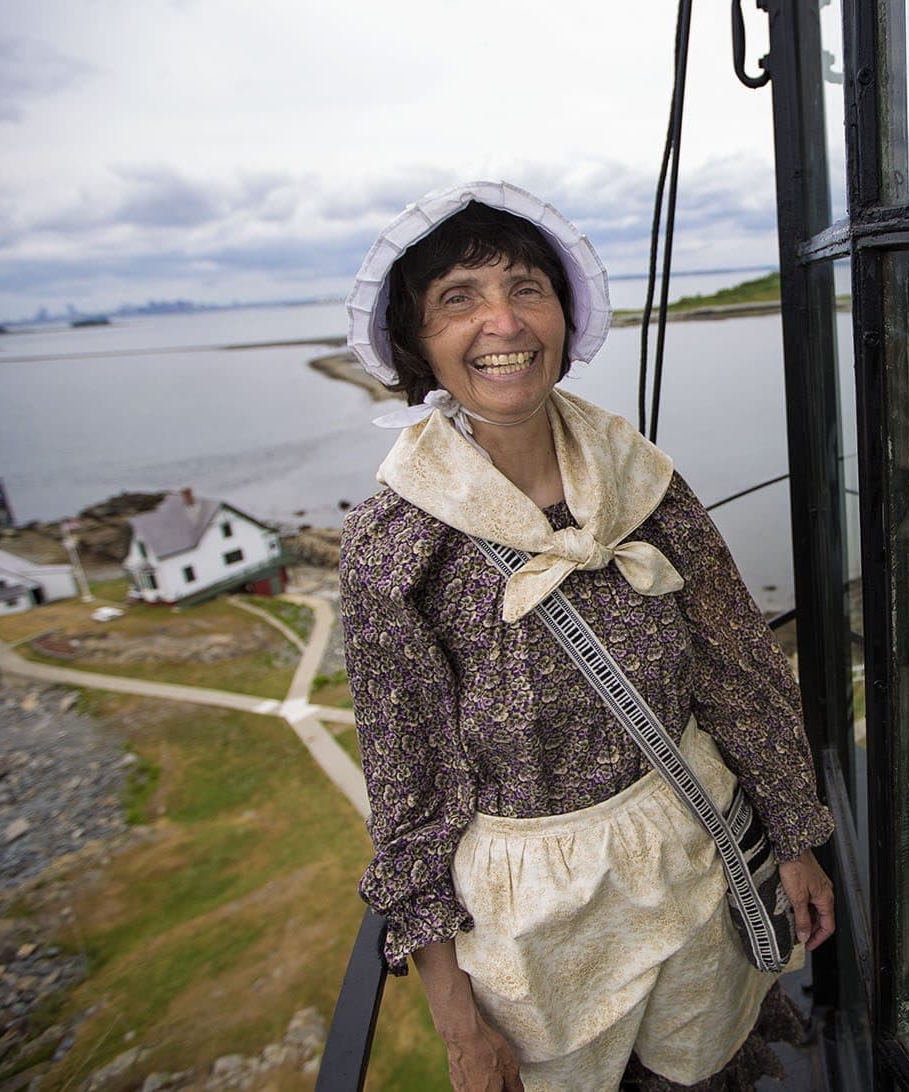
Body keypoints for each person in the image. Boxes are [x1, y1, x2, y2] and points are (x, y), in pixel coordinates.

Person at [339, 181, 837, 1092]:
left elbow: (737, 667)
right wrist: (459, 1030)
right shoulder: (396, 544)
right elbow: (406, 791)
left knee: (707, 1070)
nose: (503, 322)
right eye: (459, 299)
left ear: (563, 316)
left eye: (526, 288)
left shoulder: (639, 476)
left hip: (696, 856)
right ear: (417, 345)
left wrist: (795, 840)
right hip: (535, 926)